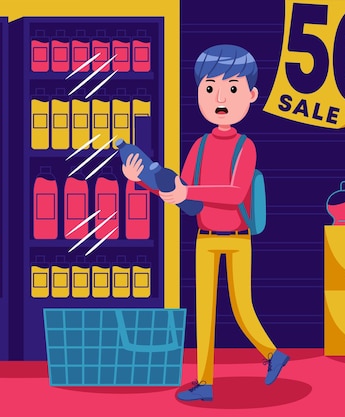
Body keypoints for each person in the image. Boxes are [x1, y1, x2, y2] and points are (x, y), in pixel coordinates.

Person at [122, 44, 289, 402]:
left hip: (239, 237)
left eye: (232, 88)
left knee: (243, 307)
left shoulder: (246, 147)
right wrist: (144, 182)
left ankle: (273, 354)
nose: (220, 98)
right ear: (198, 94)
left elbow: (234, 192)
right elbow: (185, 199)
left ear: (252, 94)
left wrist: (186, 190)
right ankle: (205, 382)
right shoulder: (198, 146)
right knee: (205, 312)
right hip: (205, 237)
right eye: (210, 88)